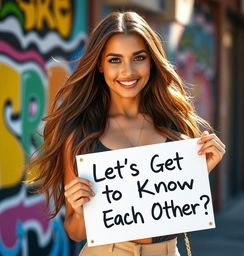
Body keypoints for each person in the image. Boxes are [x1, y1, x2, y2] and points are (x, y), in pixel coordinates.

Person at [28, 11, 226, 256]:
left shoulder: (174, 124)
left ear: (151, 61)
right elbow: (76, 232)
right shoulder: (81, 134)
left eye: (138, 57)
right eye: (115, 60)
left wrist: (200, 169)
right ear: (100, 64)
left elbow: (174, 204)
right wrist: (79, 210)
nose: (128, 71)